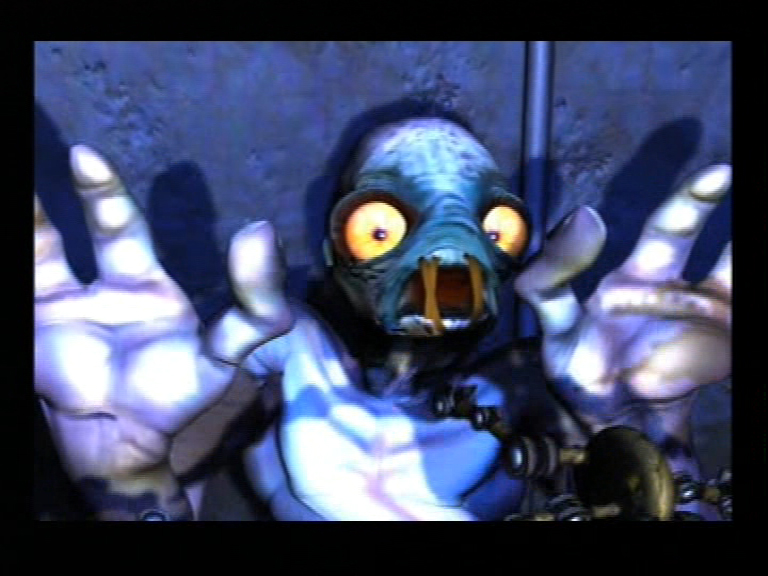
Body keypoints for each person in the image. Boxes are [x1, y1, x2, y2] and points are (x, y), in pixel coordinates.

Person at [34, 117, 731, 520]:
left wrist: (652, 431)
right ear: (335, 246)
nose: (449, 257)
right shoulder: (283, 360)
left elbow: (658, 501)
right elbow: (155, 494)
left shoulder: (533, 392)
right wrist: (122, 469)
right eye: (383, 228)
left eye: (492, 228)